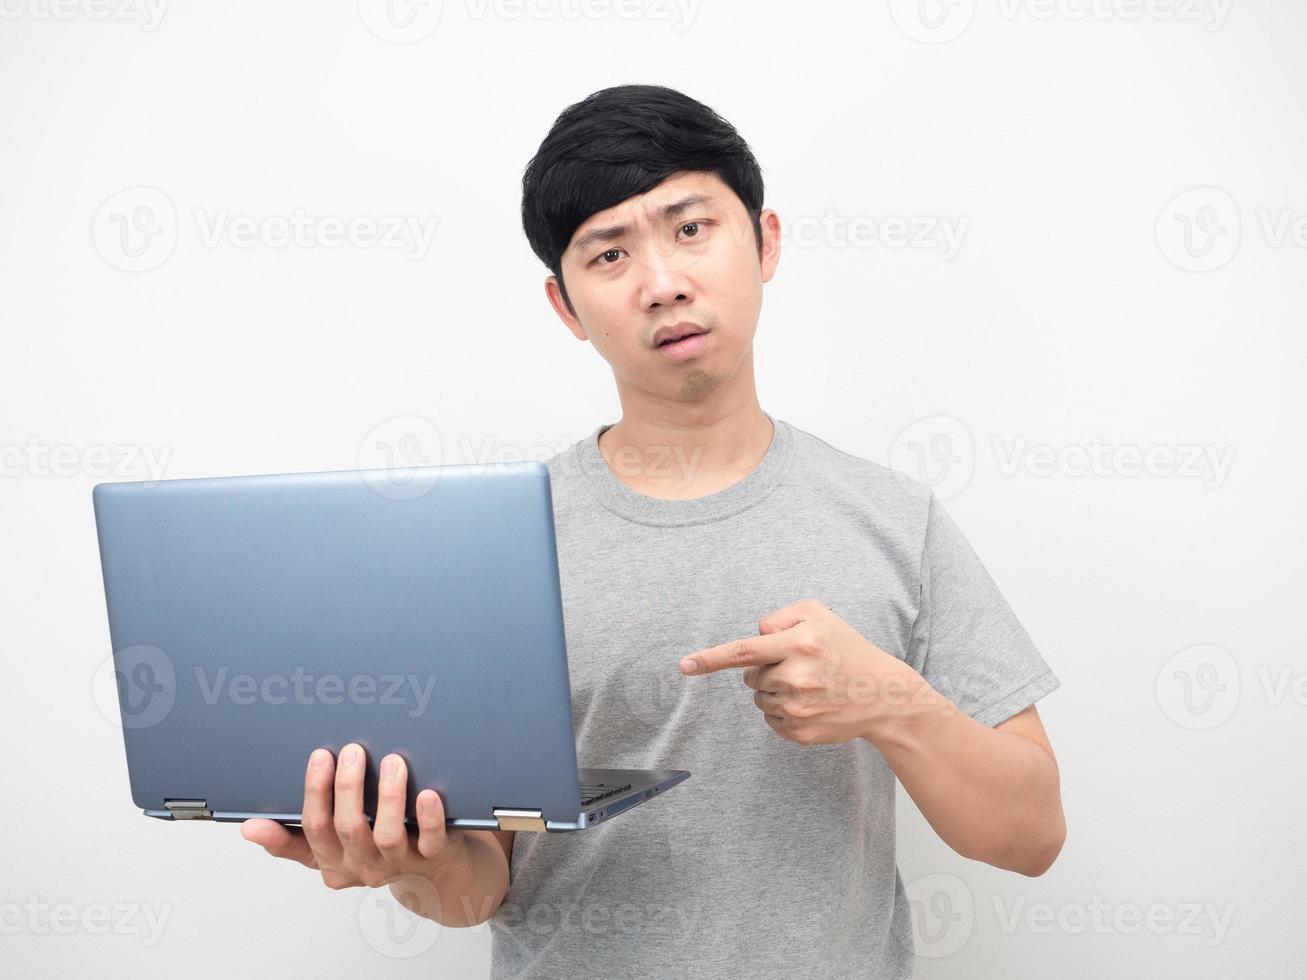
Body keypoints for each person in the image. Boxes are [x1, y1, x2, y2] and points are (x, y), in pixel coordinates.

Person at [241, 83, 1066, 979]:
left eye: (689, 228)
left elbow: (1028, 836)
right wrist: (415, 863)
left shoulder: (896, 518)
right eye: (608, 255)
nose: (662, 281)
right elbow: (479, 887)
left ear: (765, 241)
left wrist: (888, 701)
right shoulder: (490, 551)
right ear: (566, 307)